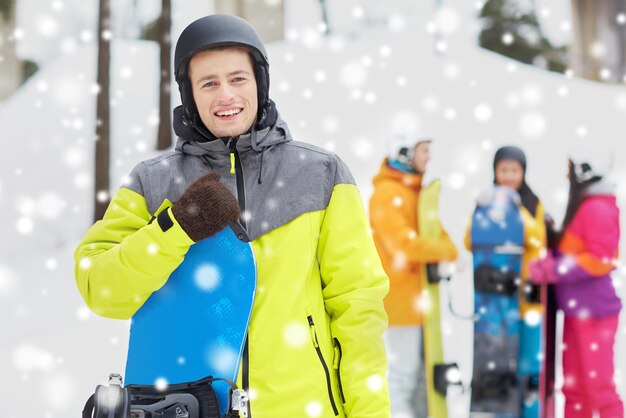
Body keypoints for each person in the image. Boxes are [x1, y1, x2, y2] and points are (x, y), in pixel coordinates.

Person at [74, 14, 391, 418]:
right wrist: (176, 227)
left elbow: (357, 310)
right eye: (209, 83)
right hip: (188, 406)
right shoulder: (152, 182)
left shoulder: (322, 175)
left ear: (260, 82)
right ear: (189, 94)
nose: (225, 94)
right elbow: (101, 289)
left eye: (238, 79)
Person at [369, 137, 458, 418]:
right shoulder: (386, 194)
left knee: (422, 381)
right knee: (401, 379)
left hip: (421, 306)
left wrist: (446, 251)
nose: (428, 158)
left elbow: (439, 239)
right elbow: (403, 245)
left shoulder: (416, 194)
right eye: (423, 151)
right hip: (400, 306)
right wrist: (445, 252)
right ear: (405, 153)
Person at [530, 152, 623, 418]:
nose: (566, 176)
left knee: (597, 389)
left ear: (583, 170)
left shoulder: (597, 208)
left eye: (570, 169)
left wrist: (555, 270)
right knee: (575, 390)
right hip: (576, 312)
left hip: (594, 313)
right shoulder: (585, 205)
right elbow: (576, 249)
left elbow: (600, 258)